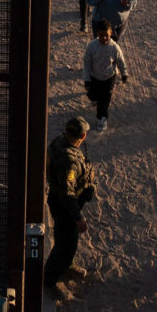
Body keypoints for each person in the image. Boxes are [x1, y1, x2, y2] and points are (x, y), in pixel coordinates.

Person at [43, 117, 96, 299]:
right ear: (82, 135)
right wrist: (78, 217)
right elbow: (67, 193)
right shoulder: (70, 162)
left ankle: (67, 266)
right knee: (66, 245)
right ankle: (49, 279)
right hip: (66, 206)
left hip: (59, 201)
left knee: (63, 239)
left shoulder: (59, 141)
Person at [82, 19, 128, 132]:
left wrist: (124, 73)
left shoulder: (114, 48)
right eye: (101, 35)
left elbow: (120, 61)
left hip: (109, 78)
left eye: (106, 35)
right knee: (93, 95)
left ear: (111, 33)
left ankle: (102, 118)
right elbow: (87, 64)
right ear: (97, 33)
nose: (104, 38)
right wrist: (87, 80)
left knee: (105, 100)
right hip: (94, 77)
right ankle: (93, 98)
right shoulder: (91, 47)